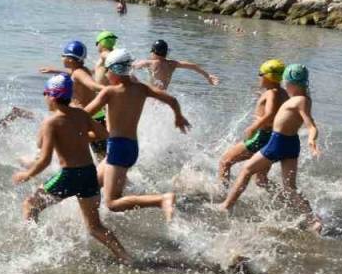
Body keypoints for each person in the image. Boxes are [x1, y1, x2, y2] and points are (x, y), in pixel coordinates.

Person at [13, 75, 132, 264]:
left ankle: (31, 250)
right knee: (94, 227)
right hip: (89, 175)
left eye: (45, 93)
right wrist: (79, 138)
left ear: (52, 96)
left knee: (30, 204)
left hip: (69, 176)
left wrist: (27, 174)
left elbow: (44, 160)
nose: (44, 97)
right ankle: (126, 257)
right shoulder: (81, 114)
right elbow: (104, 134)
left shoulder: (51, 123)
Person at [83, 48, 188, 219]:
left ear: (114, 71)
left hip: (118, 149)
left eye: (107, 70)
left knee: (112, 203)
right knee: (92, 184)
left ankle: (161, 200)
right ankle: (94, 220)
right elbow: (172, 99)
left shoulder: (109, 92)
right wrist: (178, 117)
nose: (106, 74)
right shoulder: (141, 89)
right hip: (130, 147)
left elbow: (83, 115)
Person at [219, 64, 322, 231]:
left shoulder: (300, 101)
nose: (284, 85)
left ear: (293, 84)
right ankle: (312, 220)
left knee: (246, 170)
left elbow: (311, 125)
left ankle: (226, 205)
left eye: (286, 83)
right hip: (292, 144)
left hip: (279, 142)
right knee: (289, 187)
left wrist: (312, 140)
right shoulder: (302, 99)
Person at [218, 59, 288, 186]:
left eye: (260, 74)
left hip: (261, 137)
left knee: (225, 161)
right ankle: (288, 201)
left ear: (268, 77)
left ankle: (222, 194)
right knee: (261, 180)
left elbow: (270, 113)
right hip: (273, 138)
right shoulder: (282, 93)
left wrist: (253, 127)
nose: (258, 77)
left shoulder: (271, 93)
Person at [39, 40, 109, 162]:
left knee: (102, 157)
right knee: (101, 157)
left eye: (63, 56)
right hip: (89, 116)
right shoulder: (79, 70)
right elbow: (72, 73)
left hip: (92, 117)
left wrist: (112, 90)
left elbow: (91, 84)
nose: (61, 58)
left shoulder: (79, 72)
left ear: (71, 59)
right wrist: (55, 70)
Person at [133, 40, 220, 90]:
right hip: (163, 96)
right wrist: (207, 75)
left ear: (154, 52)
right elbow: (193, 66)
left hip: (152, 95)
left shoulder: (150, 63)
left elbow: (134, 66)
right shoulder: (172, 64)